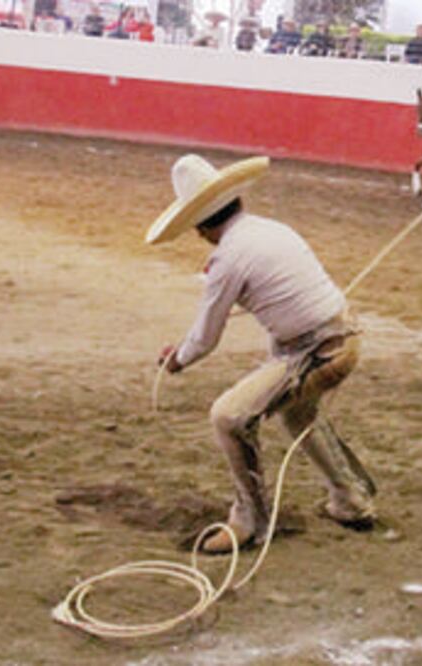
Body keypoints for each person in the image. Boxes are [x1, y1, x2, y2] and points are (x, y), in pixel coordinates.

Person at [149, 155, 376, 555]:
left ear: (200, 226)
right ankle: (351, 499)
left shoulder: (229, 257)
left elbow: (205, 338)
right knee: (298, 413)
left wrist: (178, 359)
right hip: (339, 337)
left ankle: (249, 519)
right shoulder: (270, 229)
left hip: (320, 350)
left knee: (229, 416)